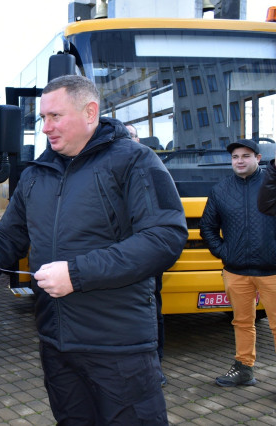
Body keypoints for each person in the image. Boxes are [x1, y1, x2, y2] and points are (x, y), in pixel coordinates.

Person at [0, 75, 188, 424]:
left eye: (55, 116)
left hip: (119, 349)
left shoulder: (134, 161)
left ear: (90, 112)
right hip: (57, 347)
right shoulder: (36, 175)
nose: (45, 127)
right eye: (43, 117)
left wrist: (76, 274)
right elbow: (5, 242)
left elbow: (164, 237)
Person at [200, 139, 276, 387]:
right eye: (235, 157)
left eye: (246, 156)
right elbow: (207, 227)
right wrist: (224, 252)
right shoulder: (220, 190)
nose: (240, 161)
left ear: (258, 158)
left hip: (272, 271)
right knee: (242, 322)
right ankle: (244, 368)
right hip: (236, 271)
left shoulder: (272, 185)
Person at [127, 123, 168, 387]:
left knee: (153, 313)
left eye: (130, 136)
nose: (126, 140)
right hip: (116, 258)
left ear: (138, 139)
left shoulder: (153, 167)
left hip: (147, 258)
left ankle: (155, 367)